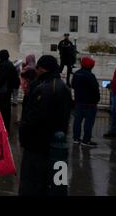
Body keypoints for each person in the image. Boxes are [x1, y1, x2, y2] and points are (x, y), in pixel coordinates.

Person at [18, 55, 73, 196]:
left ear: (43, 69)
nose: (36, 70)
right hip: (56, 144)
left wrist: (23, 135)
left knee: (32, 184)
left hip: (38, 145)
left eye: (37, 68)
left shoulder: (43, 88)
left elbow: (34, 119)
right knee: (55, 184)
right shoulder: (64, 87)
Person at [72, 56, 100, 147]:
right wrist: (96, 99)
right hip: (90, 103)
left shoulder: (76, 74)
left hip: (79, 101)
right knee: (88, 122)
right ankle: (86, 140)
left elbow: (73, 85)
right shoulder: (90, 75)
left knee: (77, 121)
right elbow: (95, 89)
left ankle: (76, 138)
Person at [0, 50, 20, 133]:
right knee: (6, 109)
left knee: (3, 109)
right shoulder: (9, 64)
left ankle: (3, 127)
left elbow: (1, 78)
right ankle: (6, 126)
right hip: (7, 90)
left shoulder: (5, 65)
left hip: (3, 90)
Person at [20, 54, 37, 119]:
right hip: (33, 90)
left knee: (25, 105)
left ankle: (24, 119)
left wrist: (23, 67)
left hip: (27, 90)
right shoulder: (36, 67)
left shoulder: (28, 68)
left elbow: (22, 74)